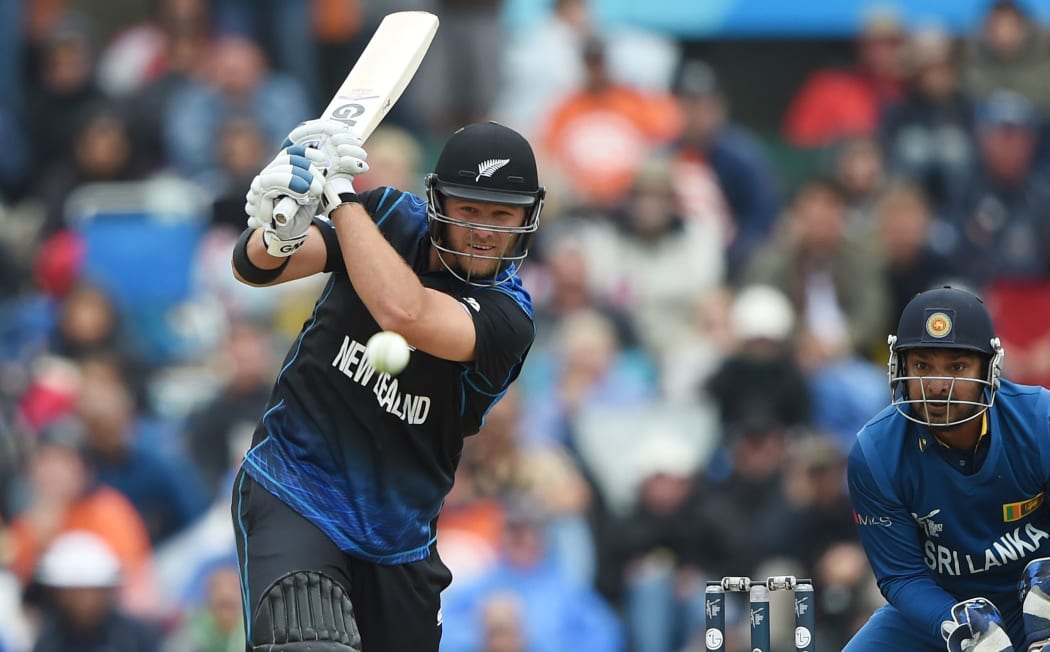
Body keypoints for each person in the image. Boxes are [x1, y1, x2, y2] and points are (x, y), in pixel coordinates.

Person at [229, 118, 546, 651]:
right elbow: (254, 268)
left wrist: (340, 198)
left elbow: (404, 312)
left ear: (525, 220)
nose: (485, 230)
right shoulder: (389, 217)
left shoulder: (508, 318)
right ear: (438, 202)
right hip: (295, 487)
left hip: (397, 541)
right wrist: (279, 233)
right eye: (469, 210)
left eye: (501, 215)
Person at [845, 286, 1050, 651]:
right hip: (947, 607)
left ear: (990, 368)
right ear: (900, 368)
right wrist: (954, 622)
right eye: (922, 365)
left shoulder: (1040, 420)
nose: (938, 386)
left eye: (957, 366)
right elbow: (902, 576)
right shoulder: (875, 452)